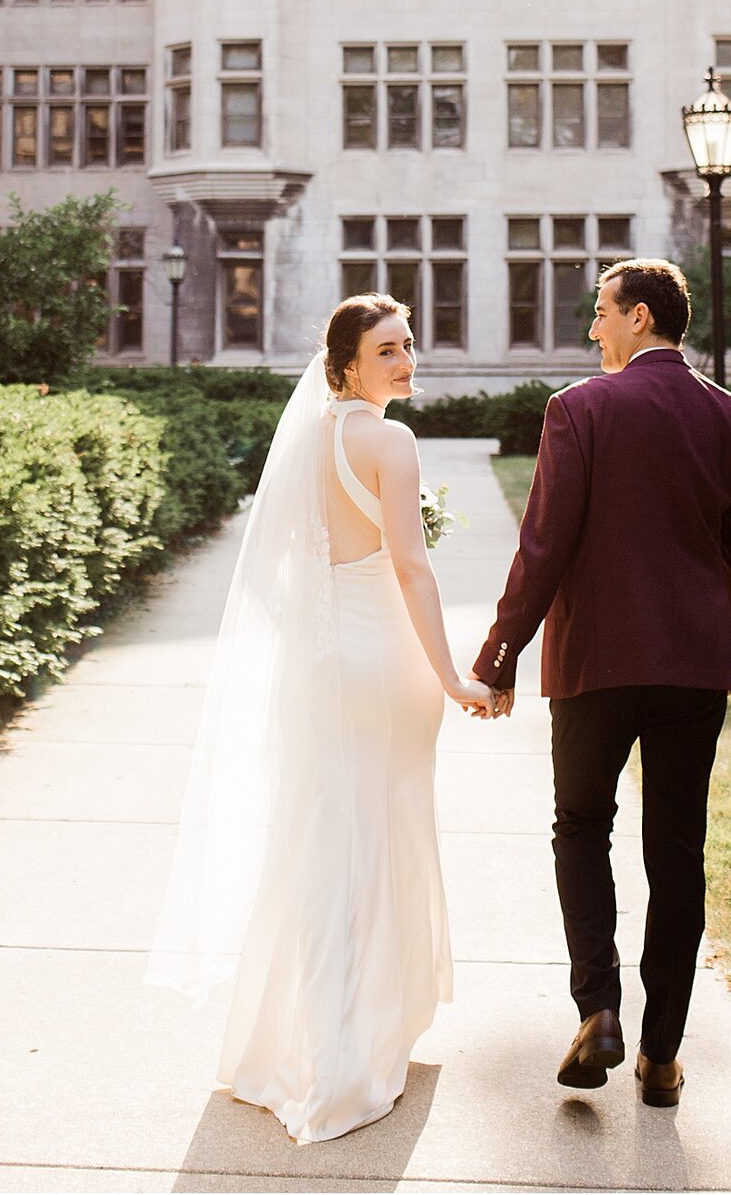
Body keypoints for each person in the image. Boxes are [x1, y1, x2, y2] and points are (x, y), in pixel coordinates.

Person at [150, 295, 495, 1144]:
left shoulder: (305, 439)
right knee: (376, 837)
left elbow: (276, 573)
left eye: (409, 344)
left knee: (319, 841)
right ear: (345, 365)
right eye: (387, 350)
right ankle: (351, 1054)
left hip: (322, 664)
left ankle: (287, 1046)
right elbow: (411, 568)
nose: (406, 360)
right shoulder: (391, 441)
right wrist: (451, 673)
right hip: (384, 664)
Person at [470, 257, 731, 1109]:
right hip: (692, 668)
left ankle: (599, 1007)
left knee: (580, 828)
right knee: (677, 853)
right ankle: (663, 1054)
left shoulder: (580, 409)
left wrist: (500, 655)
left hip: (595, 663)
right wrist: (728, 645)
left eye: (601, 312)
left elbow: (543, 546)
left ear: (639, 316)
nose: (592, 328)